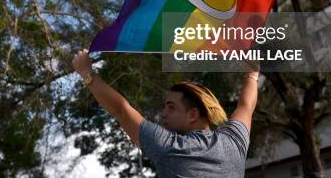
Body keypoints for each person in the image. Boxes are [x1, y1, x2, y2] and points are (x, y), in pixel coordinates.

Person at [72, 49, 259, 178]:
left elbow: (121, 110)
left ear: (193, 114)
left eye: (171, 107)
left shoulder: (171, 147)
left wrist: (87, 74)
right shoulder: (234, 141)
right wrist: (252, 74)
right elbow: (246, 106)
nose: (163, 114)